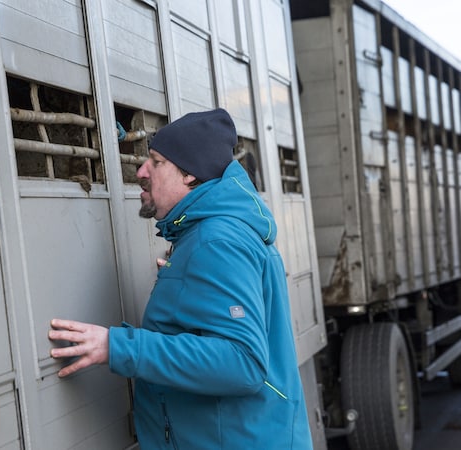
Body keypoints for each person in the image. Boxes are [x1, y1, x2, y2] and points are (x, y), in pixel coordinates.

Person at [49, 108, 312, 449]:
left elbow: (243, 363)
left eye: (156, 162)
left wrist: (118, 347)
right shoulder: (216, 233)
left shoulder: (216, 241)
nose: (142, 171)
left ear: (189, 174)